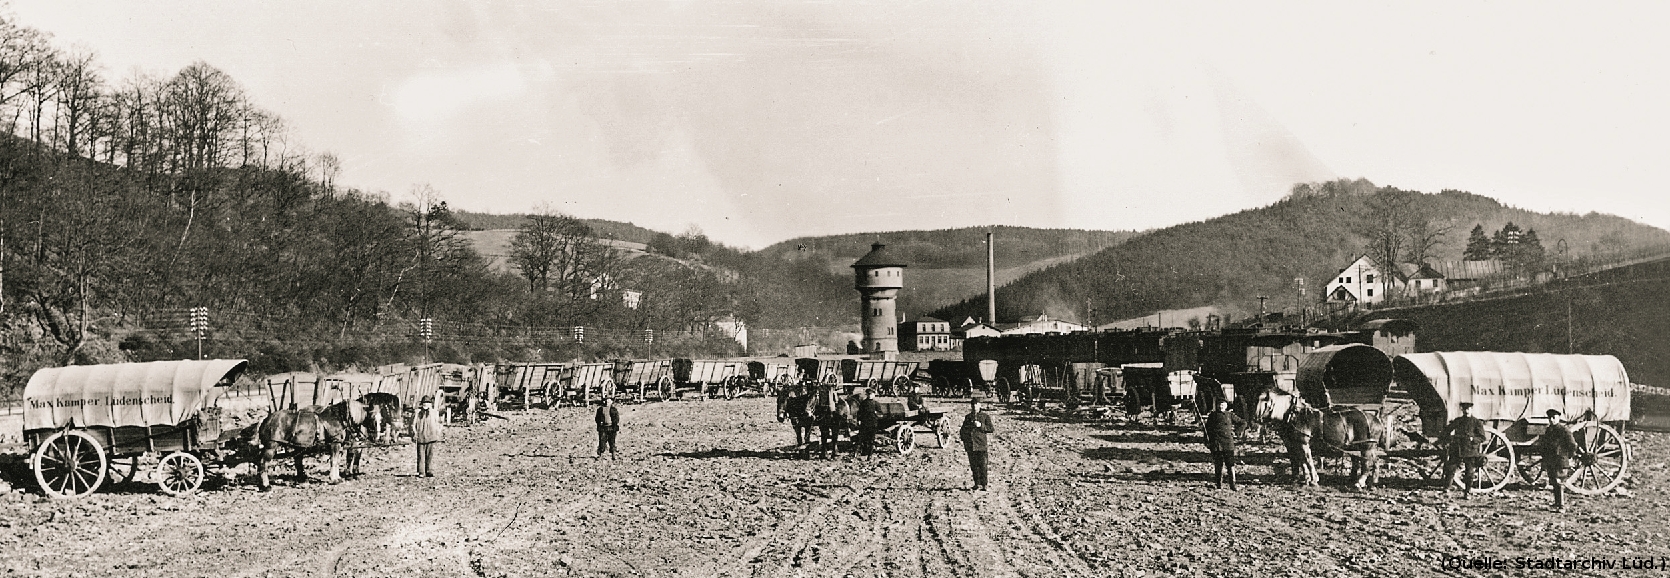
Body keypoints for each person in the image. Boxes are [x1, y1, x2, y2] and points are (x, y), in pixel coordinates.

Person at [1534, 408, 1580, 511]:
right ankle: (1556, 503)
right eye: (1550, 418)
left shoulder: (1564, 430)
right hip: (1551, 460)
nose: (1551, 420)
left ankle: (1562, 506)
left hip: (1560, 460)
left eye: (1553, 418)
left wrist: (1569, 456)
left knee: (1559, 482)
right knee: (1554, 482)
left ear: (1558, 418)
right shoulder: (1549, 430)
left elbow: (1572, 444)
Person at [1440, 402, 1488, 498]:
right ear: (1462, 410)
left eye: (1468, 409)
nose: (1466, 411)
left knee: (1469, 472)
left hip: (1470, 449)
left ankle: (1467, 492)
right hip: (1457, 448)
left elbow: (1482, 437)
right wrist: (1448, 438)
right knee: (1450, 468)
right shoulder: (1458, 421)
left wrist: (1473, 439)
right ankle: (1446, 489)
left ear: (1471, 410)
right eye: (1464, 409)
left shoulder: (1476, 422)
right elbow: (1447, 429)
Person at [1204, 400, 1245, 490]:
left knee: (1230, 464)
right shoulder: (1212, 415)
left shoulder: (1230, 415)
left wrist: (1237, 432)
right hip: (1216, 443)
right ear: (1216, 405)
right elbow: (1207, 430)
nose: (1221, 406)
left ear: (1226, 405)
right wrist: (1207, 441)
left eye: (1223, 405)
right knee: (1218, 465)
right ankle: (1218, 484)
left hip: (1228, 443)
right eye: (1219, 404)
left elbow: (1243, 422)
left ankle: (1233, 485)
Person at [960, 397, 996, 491]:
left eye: (976, 405)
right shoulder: (968, 417)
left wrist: (981, 426)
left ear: (980, 405)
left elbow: (991, 428)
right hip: (971, 445)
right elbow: (963, 430)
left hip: (981, 445)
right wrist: (965, 441)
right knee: (974, 466)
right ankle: (976, 484)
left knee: (983, 465)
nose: (974, 407)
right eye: (973, 405)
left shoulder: (985, 416)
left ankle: (984, 484)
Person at [412, 395, 443, 477]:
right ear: (421, 404)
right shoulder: (417, 413)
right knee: (421, 455)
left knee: (429, 455)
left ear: (430, 404)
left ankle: (429, 470)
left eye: (427, 403)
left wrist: (438, 432)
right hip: (421, 436)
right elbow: (413, 424)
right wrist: (415, 433)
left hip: (431, 436)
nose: (426, 404)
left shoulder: (434, 413)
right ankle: (421, 472)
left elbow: (438, 423)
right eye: (424, 403)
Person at [856, 388, 882, 457]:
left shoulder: (876, 404)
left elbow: (880, 413)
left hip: (873, 423)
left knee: (871, 439)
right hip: (864, 423)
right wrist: (859, 420)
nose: (870, 395)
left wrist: (876, 414)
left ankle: (869, 455)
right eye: (868, 394)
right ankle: (864, 452)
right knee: (863, 438)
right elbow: (860, 412)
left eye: (871, 394)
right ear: (866, 395)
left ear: (874, 395)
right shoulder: (863, 403)